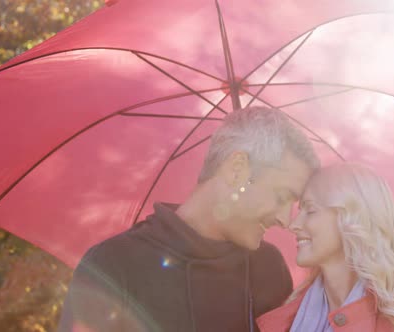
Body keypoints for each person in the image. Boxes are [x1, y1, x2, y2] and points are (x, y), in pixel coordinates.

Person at [58, 106, 319, 332]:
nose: (286, 220)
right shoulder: (113, 266)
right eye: (282, 196)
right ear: (237, 169)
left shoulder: (269, 269)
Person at [257, 163, 394, 332]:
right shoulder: (285, 319)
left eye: (311, 210)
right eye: (300, 211)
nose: (294, 224)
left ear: (351, 217)